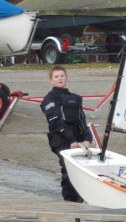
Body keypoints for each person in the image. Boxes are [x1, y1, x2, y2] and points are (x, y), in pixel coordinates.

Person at [40, 65, 93, 202]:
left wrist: (88, 138)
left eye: (62, 76)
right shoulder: (49, 99)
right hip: (61, 139)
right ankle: (69, 201)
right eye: (56, 77)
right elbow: (56, 122)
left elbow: (82, 119)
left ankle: (82, 198)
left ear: (66, 78)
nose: (60, 79)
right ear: (51, 80)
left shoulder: (75, 98)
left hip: (78, 138)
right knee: (68, 171)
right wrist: (71, 141)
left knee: (83, 170)